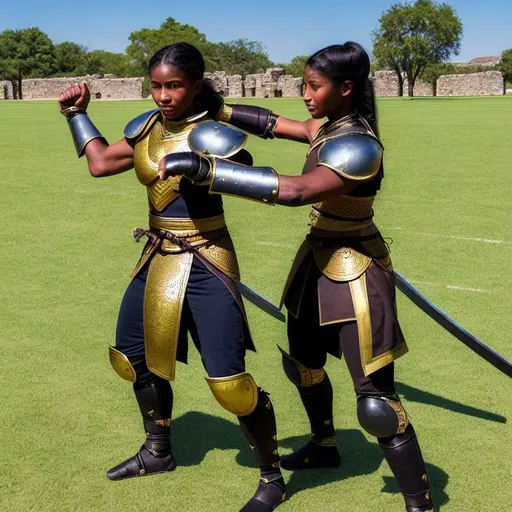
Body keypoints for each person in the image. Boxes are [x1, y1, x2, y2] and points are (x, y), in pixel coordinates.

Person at [159, 42, 434, 512]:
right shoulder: (328, 129)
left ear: (346, 89)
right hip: (315, 262)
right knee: (303, 363)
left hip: (356, 270)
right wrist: (221, 107)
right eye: (303, 84)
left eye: (314, 86)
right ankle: (325, 445)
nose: (304, 94)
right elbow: (276, 125)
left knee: (376, 404)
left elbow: (297, 190)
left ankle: (420, 502)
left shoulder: (359, 146)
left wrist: (209, 171)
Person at [58, 42, 287, 512]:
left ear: (196, 84)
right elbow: (101, 163)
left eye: (174, 86)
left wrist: (206, 167)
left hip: (206, 258)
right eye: (157, 86)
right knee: (131, 357)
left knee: (230, 384)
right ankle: (157, 450)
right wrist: (76, 115)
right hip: (158, 255)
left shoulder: (214, 132)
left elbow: (262, 183)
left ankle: (272, 477)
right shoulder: (145, 127)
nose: (163, 95)